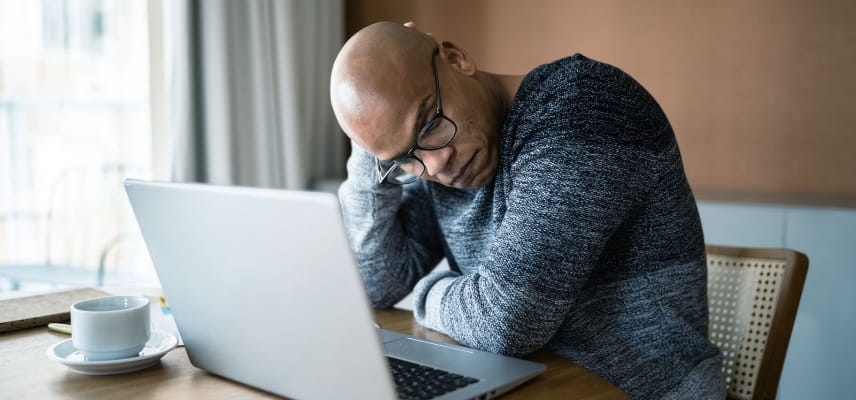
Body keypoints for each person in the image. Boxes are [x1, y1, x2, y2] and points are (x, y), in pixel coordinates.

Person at [329, 21, 725, 400]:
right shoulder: (438, 157)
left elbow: (504, 322)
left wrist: (429, 292)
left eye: (429, 122)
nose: (435, 165)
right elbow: (377, 284)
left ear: (455, 58)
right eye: (406, 159)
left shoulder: (584, 107)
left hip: (639, 390)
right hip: (532, 387)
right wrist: (373, 143)